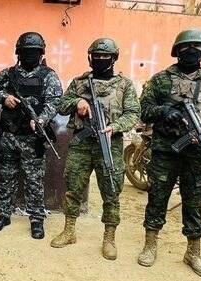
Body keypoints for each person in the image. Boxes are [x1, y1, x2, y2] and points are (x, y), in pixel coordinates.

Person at [136, 28, 201, 278]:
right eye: (186, 47)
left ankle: (193, 251)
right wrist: (163, 111)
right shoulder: (161, 79)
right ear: (177, 50)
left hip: (199, 151)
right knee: (158, 196)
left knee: (194, 201)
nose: (192, 51)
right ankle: (150, 244)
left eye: (197, 47)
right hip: (165, 149)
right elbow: (144, 108)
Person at [50, 38, 139, 259]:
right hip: (81, 144)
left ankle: (109, 237)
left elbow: (133, 114)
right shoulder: (79, 82)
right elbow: (61, 105)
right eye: (96, 56)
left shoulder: (124, 85)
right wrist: (78, 102)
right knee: (73, 189)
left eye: (105, 57)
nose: (100, 60)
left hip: (110, 145)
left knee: (111, 191)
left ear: (114, 58)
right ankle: (69, 231)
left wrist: (115, 127)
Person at [0, 31, 64, 240]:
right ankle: (3, 214)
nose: (30, 55)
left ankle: (36, 219)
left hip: (33, 137)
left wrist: (41, 119)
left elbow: (55, 101)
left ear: (41, 53)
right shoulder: (8, 74)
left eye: (34, 52)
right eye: (26, 52)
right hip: (9, 135)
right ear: (19, 52)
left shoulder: (48, 75)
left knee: (34, 180)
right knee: (6, 176)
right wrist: (4, 97)